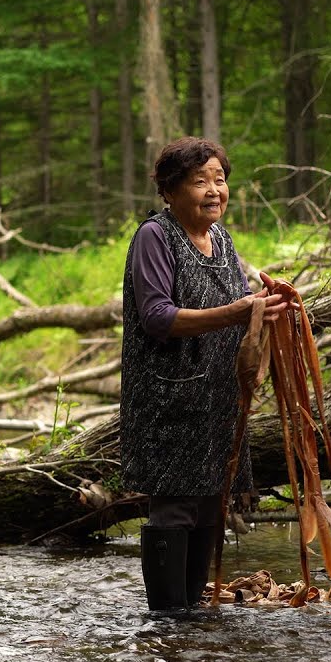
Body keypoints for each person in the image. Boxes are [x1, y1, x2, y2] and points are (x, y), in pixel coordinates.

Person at [119, 137, 288, 611]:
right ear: (170, 191)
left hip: (217, 399)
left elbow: (242, 301)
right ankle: (169, 621)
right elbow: (156, 316)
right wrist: (235, 313)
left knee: (212, 498)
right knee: (173, 504)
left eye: (220, 180)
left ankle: (193, 617)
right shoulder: (155, 237)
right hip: (167, 398)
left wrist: (266, 306)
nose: (214, 190)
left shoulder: (224, 241)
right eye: (200, 181)